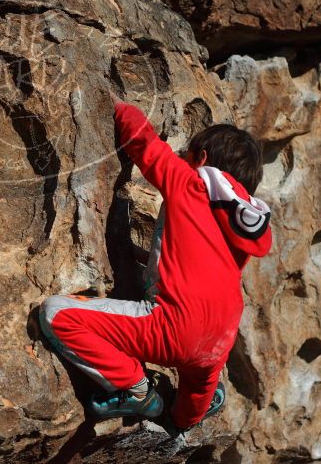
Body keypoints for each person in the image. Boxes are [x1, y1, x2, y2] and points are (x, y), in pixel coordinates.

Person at [38, 93, 272, 433]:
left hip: (170, 327)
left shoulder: (193, 182)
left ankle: (136, 388)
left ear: (201, 159)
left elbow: (145, 144)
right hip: (217, 346)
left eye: (185, 155)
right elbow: (202, 265)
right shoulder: (243, 226)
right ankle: (190, 410)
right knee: (183, 416)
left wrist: (115, 105)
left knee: (56, 314)